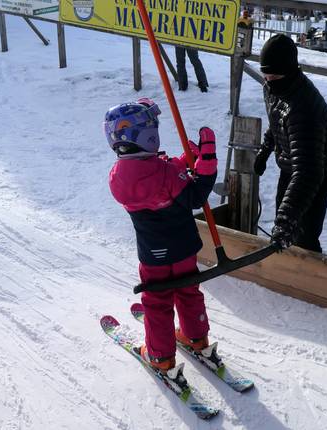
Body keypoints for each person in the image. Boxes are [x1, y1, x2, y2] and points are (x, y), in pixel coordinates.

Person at [105, 98, 218, 373]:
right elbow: (193, 195)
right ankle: (196, 337)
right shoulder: (167, 173)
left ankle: (161, 356)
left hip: (153, 255)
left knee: (158, 301)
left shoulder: (117, 177)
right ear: (148, 137)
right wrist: (206, 162)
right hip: (184, 249)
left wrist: (182, 162)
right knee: (189, 291)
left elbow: (156, 178)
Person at [254, 34, 327, 253]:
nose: (268, 81)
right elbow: (278, 120)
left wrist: (287, 221)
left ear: (289, 71)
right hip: (292, 161)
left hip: (318, 168)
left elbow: (308, 173)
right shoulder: (275, 87)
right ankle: (288, 257)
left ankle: (310, 267)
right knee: (284, 216)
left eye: (274, 76)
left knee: (305, 231)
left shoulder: (305, 109)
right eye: (265, 75)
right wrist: (265, 150)